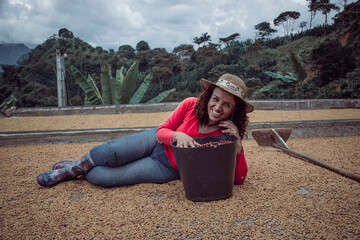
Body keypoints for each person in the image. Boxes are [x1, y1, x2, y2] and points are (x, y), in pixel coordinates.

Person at [37, 73, 254, 188]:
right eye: (216, 99)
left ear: (234, 111)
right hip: (156, 141)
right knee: (109, 152)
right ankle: (71, 170)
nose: (218, 107)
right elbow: (162, 131)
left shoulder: (226, 136)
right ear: (209, 96)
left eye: (227, 104)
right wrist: (177, 135)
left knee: (101, 177)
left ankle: (80, 168)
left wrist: (238, 145)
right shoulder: (190, 104)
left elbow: (238, 180)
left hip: (167, 167)